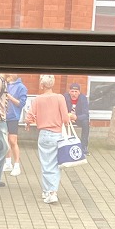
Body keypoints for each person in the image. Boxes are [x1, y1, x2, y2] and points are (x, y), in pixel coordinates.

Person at [27, 74, 77, 204]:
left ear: (42, 85)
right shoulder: (60, 98)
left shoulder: (37, 99)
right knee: (55, 164)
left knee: (46, 164)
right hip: (57, 134)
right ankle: (52, 192)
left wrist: (28, 123)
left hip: (43, 134)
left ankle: (47, 191)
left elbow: (29, 116)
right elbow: (65, 118)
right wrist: (71, 117)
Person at [4, 73, 28, 176]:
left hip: (13, 117)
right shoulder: (5, 84)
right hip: (3, 116)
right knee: (5, 141)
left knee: (13, 141)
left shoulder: (21, 87)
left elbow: (21, 103)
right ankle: (8, 162)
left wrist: (10, 97)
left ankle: (17, 165)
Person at [64, 81, 91, 155]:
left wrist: (76, 117)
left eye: (76, 92)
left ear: (79, 92)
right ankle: (61, 145)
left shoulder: (83, 98)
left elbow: (86, 114)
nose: (74, 94)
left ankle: (84, 146)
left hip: (77, 118)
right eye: (72, 91)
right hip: (66, 118)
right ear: (69, 92)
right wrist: (67, 117)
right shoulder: (65, 97)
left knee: (86, 122)